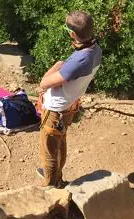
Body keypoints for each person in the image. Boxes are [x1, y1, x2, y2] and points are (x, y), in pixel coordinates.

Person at [37, 11, 102, 187]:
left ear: (73, 34)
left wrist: (57, 65)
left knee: (49, 151)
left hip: (55, 110)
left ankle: (50, 188)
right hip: (69, 105)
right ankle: (57, 176)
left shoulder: (79, 60)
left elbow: (44, 83)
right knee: (61, 140)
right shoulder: (96, 50)